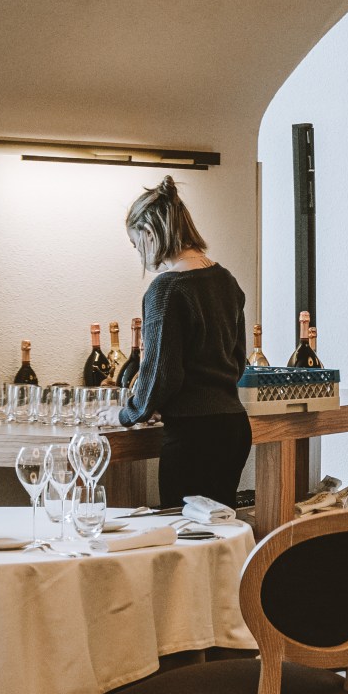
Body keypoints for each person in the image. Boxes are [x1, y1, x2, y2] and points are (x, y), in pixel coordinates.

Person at [119, 176, 250, 505]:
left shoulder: (166, 290)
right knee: (220, 532)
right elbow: (238, 362)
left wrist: (129, 413)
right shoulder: (225, 280)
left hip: (193, 436)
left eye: (137, 246)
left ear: (150, 234)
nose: (141, 257)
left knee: (184, 539)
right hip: (233, 427)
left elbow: (162, 374)